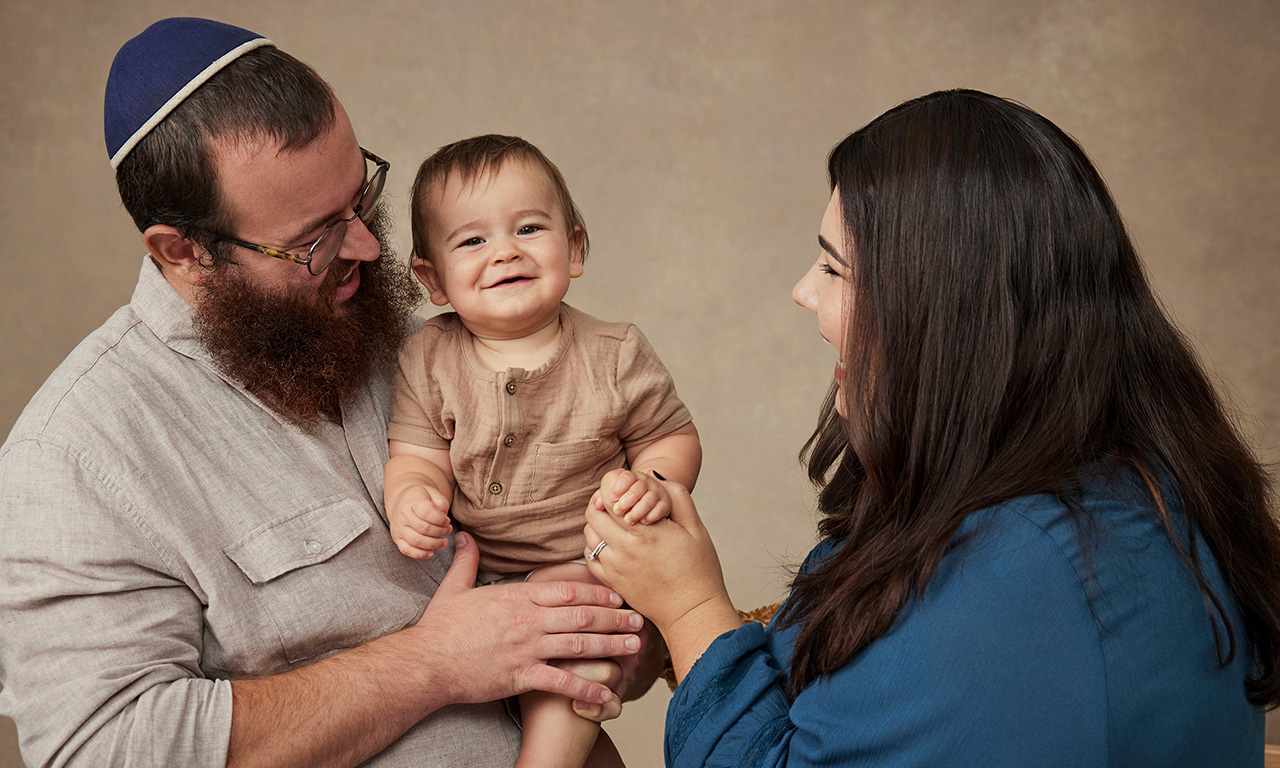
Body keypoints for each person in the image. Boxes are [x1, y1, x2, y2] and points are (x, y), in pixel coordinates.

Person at [0, 17, 651, 768]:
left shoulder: (416, 342)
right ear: (183, 253)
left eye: (360, 198)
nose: (370, 248)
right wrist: (432, 664)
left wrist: (615, 635)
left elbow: (570, 582)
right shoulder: (72, 460)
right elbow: (110, 748)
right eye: (316, 238)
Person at [583, 89, 1280, 766]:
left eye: (834, 267)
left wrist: (690, 610)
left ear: (941, 319)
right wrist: (686, 637)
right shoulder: (1126, 489)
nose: (805, 291)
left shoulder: (1008, 583)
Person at [386, 134, 702, 768]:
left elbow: (671, 434)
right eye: (472, 241)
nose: (504, 251)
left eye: (528, 228)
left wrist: (656, 481)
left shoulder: (614, 353)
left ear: (575, 247)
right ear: (433, 279)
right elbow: (416, 451)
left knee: (575, 635)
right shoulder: (427, 356)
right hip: (477, 578)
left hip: (589, 564)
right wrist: (413, 496)